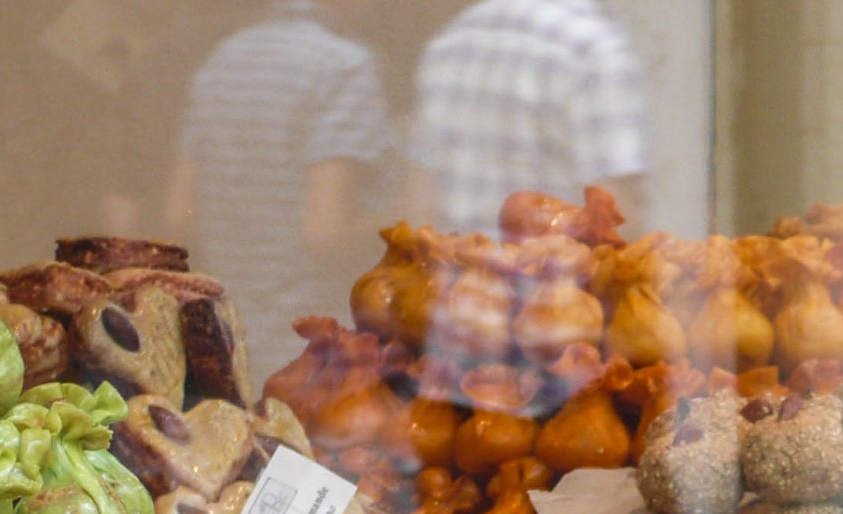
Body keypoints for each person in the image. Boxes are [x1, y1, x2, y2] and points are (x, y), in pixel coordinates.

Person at [167, 0, 391, 375]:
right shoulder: (344, 68)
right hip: (314, 355)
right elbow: (325, 233)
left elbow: (178, 216)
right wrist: (405, 223)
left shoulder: (221, 63)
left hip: (228, 346)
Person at [406, 0, 649, 235]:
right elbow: (616, 221)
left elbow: (419, 201)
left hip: (460, 271)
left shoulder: (455, 39)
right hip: (556, 273)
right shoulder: (594, 49)